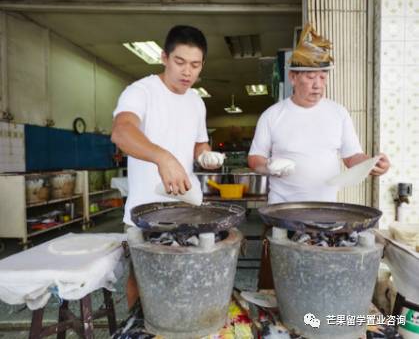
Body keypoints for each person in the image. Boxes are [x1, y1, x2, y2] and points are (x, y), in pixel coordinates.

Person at [111, 25, 224, 309]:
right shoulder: (140, 92)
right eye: (180, 62)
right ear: (164, 57)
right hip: (145, 211)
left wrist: (205, 155)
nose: (187, 72)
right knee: (143, 281)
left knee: (187, 277)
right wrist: (163, 157)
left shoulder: (197, 102)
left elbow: (199, 144)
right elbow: (122, 132)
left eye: (195, 65)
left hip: (186, 209)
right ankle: (139, 325)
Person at [248, 23, 390, 204]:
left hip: (325, 208)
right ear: (293, 77)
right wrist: (268, 166)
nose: (318, 84)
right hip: (282, 209)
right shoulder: (272, 115)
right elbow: (255, 158)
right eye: (310, 77)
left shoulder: (338, 113)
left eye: (322, 77)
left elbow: (352, 157)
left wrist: (371, 164)